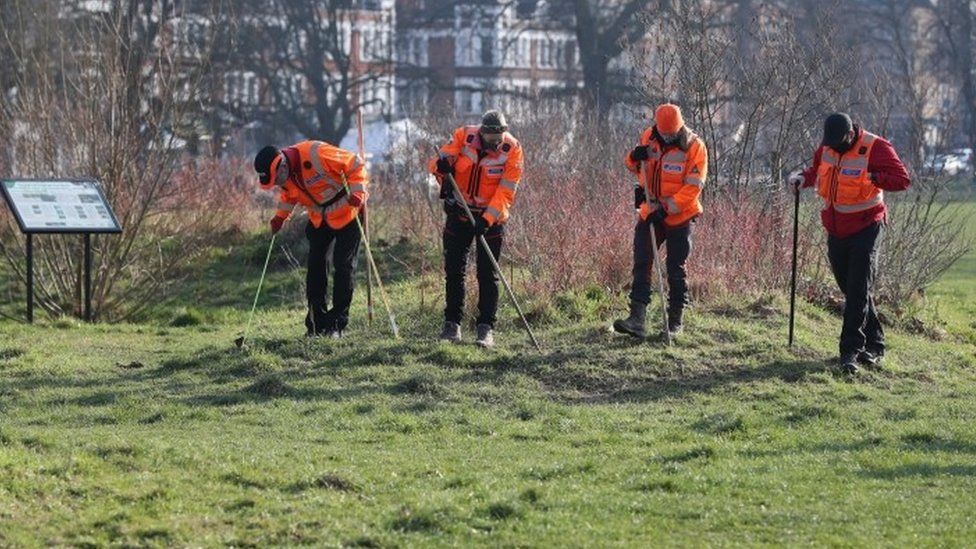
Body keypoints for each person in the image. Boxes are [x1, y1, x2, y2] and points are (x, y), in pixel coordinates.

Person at [789, 112, 911, 374]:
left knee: (857, 290)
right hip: (836, 228)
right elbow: (818, 172)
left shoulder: (876, 147)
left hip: (868, 226)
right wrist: (803, 178)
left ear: (850, 134)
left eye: (837, 141)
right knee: (852, 287)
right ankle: (875, 344)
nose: (831, 146)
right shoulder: (827, 146)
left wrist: (873, 177)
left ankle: (849, 353)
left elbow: (902, 180)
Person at [428, 110, 524, 347]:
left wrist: (487, 219)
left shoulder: (513, 150)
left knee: (487, 275)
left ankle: (486, 329)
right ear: (483, 132)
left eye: (501, 134)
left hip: (490, 220)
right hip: (459, 214)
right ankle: (452, 325)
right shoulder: (464, 136)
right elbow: (438, 161)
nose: (497, 141)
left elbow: (506, 190)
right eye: (493, 136)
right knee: (454, 271)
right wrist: (442, 166)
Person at [253, 140, 367, 337]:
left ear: (282, 165)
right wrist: (280, 218)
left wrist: (358, 192)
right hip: (319, 219)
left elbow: (355, 164)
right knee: (315, 269)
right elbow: (290, 196)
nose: (278, 184)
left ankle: (336, 325)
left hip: (349, 211)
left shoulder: (316, 153)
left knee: (343, 266)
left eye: (277, 179)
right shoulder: (284, 175)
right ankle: (316, 324)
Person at [613, 103, 707, 339]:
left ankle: (675, 323)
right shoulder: (648, 136)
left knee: (675, 268)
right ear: (657, 127)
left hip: (680, 216)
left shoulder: (695, 147)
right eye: (663, 133)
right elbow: (633, 166)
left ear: (679, 128)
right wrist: (635, 156)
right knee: (642, 262)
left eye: (671, 134)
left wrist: (666, 210)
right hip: (650, 211)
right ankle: (637, 319)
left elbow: (692, 189)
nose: (666, 138)